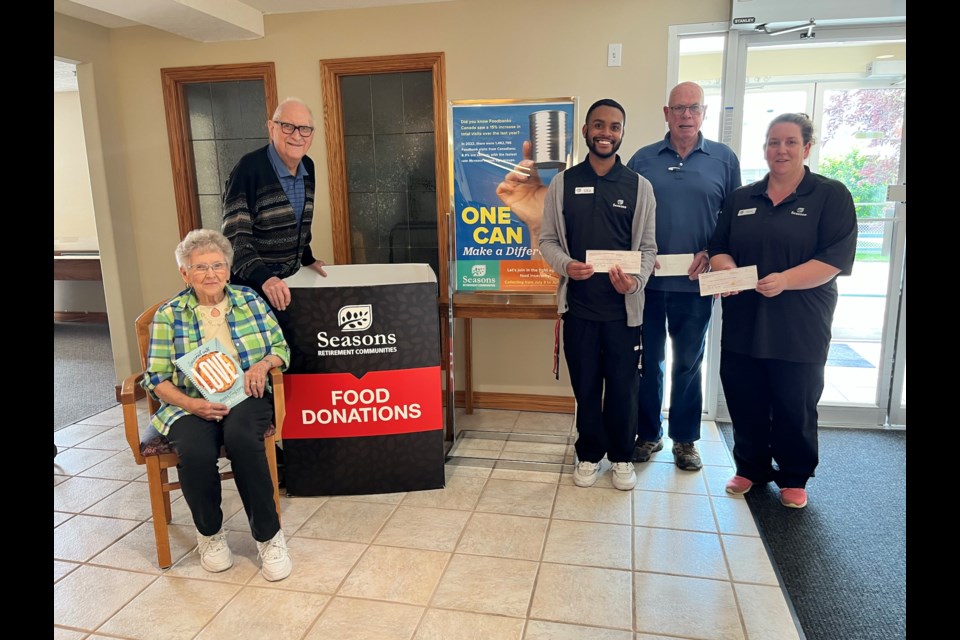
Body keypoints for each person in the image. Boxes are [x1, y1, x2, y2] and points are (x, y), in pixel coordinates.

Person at [707, 113, 857, 509]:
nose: (782, 150)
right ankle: (751, 467)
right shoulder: (742, 198)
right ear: (765, 149)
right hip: (745, 320)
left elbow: (834, 260)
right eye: (774, 142)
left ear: (807, 148)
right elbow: (719, 246)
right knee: (744, 396)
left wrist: (786, 280)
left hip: (800, 323)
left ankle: (794, 475)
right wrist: (725, 269)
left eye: (791, 142)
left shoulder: (830, 195)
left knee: (796, 401)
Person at [141, 229, 293, 579]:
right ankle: (210, 535)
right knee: (194, 450)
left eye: (217, 265)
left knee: (242, 437)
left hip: (244, 395)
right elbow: (155, 378)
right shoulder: (169, 315)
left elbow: (281, 349)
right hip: (188, 402)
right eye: (200, 268)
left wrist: (262, 364)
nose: (210, 274)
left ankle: (269, 538)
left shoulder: (251, 301)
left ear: (228, 268)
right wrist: (191, 406)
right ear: (184, 273)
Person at [539, 99, 657, 491]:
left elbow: (649, 250)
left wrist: (635, 282)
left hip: (624, 314)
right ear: (587, 130)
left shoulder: (639, 187)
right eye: (599, 125)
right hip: (580, 309)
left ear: (623, 133)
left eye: (615, 126)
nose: (606, 132)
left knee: (624, 388)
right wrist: (566, 266)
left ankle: (622, 457)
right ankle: (589, 453)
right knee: (586, 387)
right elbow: (549, 240)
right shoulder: (563, 183)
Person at [627, 82, 742, 471]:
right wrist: (640, 256)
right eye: (679, 108)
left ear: (704, 113)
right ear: (666, 113)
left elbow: (733, 221)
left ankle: (685, 440)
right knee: (649, 361)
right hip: (650, 283)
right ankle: (647, 434)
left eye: (694, 108)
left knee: (689, 363)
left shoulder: (724, 159)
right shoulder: (642, 159)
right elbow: (625, 216)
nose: (686, 116)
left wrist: (711, 253)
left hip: (697, 284)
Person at [222, 97, 328, 326]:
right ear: (272, 127)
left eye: (305, 129)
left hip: (287, 284)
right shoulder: (248, 170)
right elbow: (234, 239)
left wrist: (308, 259)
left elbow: (298, 226)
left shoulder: (308, 166)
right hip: (253, 288)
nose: (297, 135)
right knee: (264, 358)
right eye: (287, 126)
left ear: (312, 133)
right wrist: (265, 278)